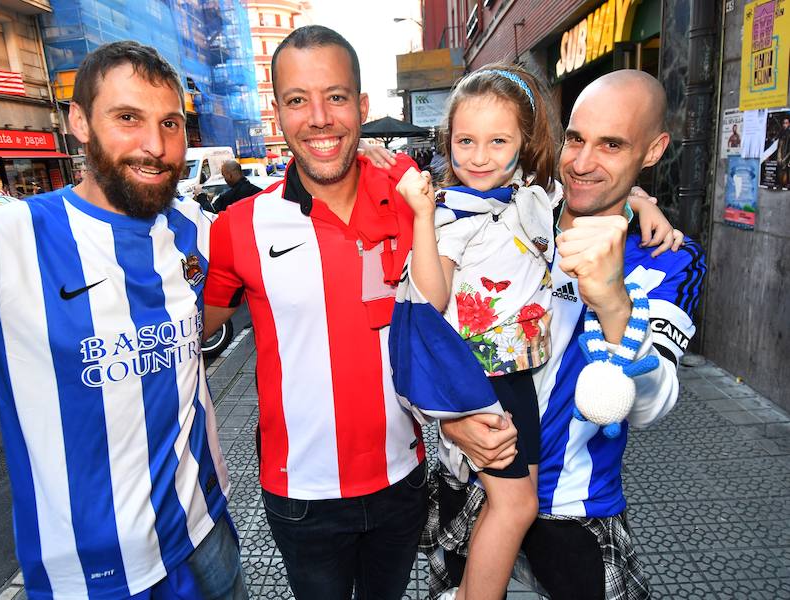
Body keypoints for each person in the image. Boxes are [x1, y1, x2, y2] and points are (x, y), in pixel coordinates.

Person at [0, 42, 246, 600]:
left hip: (208, 535)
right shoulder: (2, 243)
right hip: (95, 579)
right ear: (78, 120)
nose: (154, 146)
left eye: (170, 123)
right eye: (127, 118)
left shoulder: (192, 228)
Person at [202, 25, 520, 600]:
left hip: (402, 477)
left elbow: (507, 206)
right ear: (279, 113)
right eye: (298, 100)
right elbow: (193, 328)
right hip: (298, 493)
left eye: (337, 96)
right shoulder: (236, 228)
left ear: (363, 105)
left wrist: (635, 204)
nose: (319, 117)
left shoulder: (417, 205)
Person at [430, 69, 705, 600]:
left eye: (612, 144)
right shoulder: (515, 207)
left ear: (653, 150)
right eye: (576, 139)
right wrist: (447, 420)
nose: (581, 162)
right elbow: (423, 322)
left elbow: (651, 406)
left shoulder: (669, 258)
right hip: (472, 476)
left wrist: (615, 307)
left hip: (575, 505)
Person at [393, 64, 562, 600]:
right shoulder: (451, 214)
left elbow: (588, 197)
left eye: (497, 140)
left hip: (521, 375)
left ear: (524, 142)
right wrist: (423, 215)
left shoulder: (535, 197)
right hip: (480, 380)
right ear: (449, 141)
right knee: (517, 505)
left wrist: (645, 202)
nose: (479, 155)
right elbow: (433, 296)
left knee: (513, 500)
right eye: (465, 140)